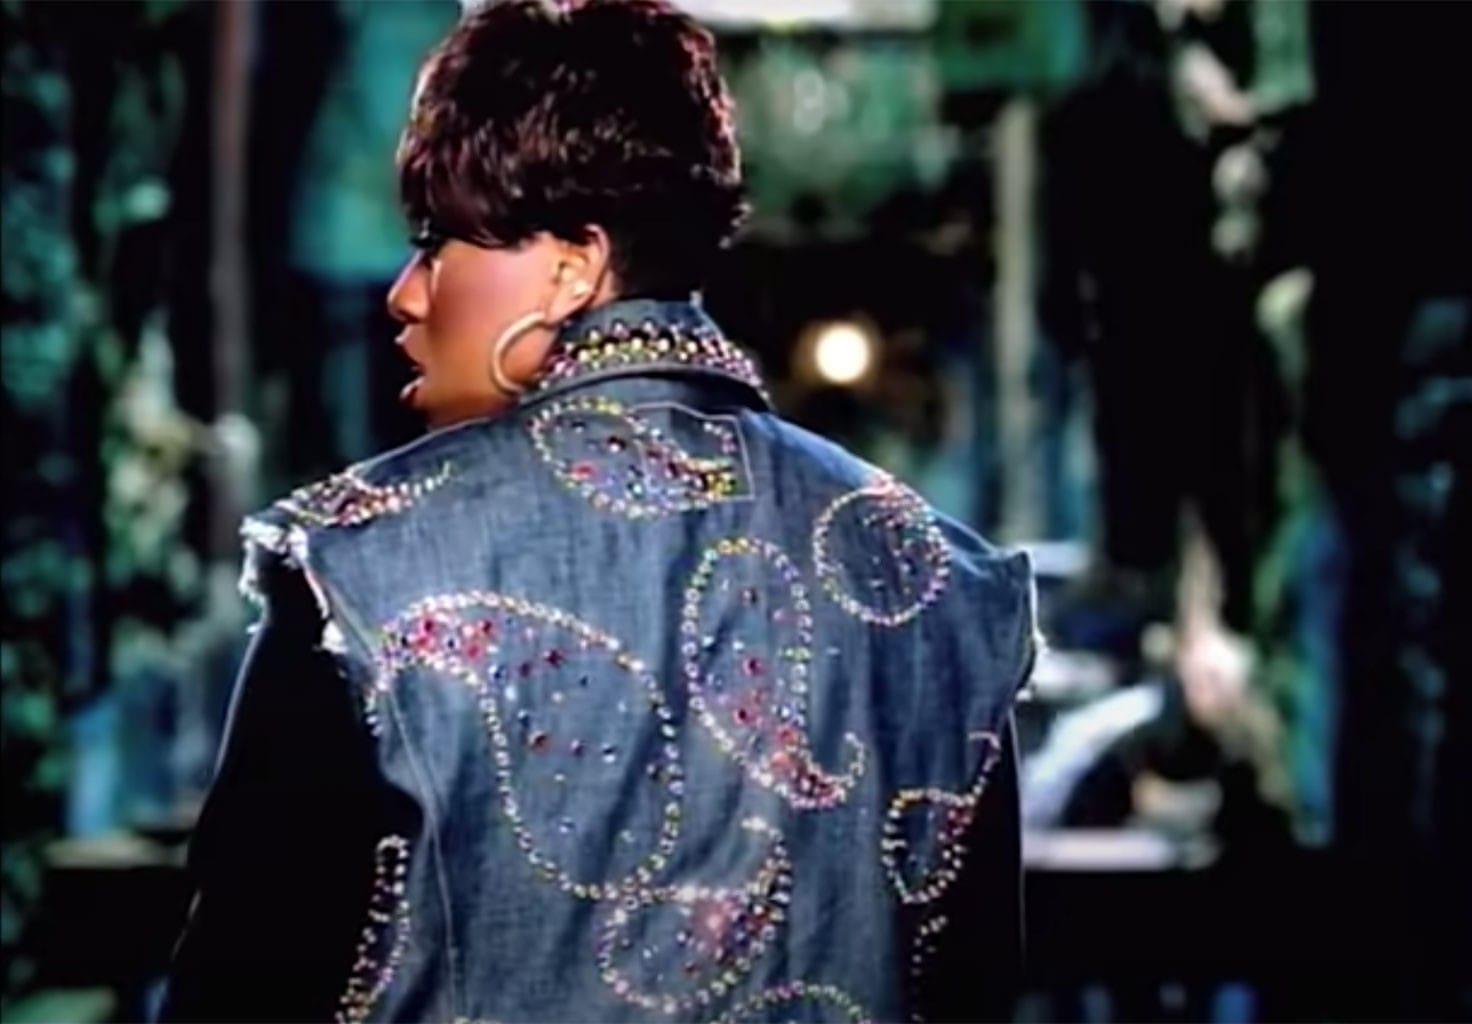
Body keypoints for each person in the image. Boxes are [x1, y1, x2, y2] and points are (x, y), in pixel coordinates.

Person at [158, 2, 1037, 1021]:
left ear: (573, 266)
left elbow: (232, 994)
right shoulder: (939, 584)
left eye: (438, 241)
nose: (405, 293)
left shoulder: (356, 569)